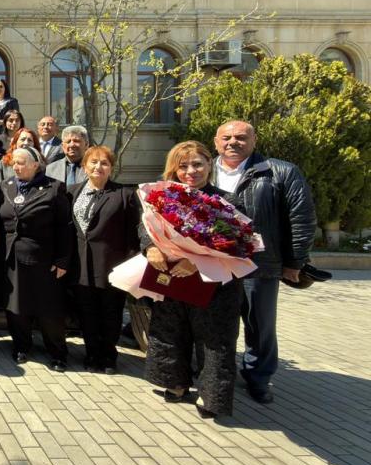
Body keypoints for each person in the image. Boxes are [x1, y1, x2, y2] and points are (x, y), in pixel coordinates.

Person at [212, 120, 316, 404]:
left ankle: (258, 377)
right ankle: (216, 372)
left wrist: (295, 260)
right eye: (226, 137)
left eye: (240, 137)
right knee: (214, 321)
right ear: (216, 141)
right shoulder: (203, 169)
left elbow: (301, 217)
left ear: (254, 140)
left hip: (259, 263)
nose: (233, 142)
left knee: (259, 324)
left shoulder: (280, 172)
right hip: (213, 263)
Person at [143, 141, 246, 419]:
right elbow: (144, 227)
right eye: (183, 166)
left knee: (214, 341)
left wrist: (198, 261)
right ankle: (175, 384)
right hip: (173, 280)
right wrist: (150, 247)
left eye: (197, 164)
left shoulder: (227, 202)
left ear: (210, 165)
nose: (190, 171)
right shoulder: (163, 199)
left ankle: (210, 396)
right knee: (171, 332)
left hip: (215, 287)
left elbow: (237, 243)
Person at [0, 146, 72, 368]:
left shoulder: (53, 188)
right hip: (12, 256)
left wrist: (62, 259)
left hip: (43, 257)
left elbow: (65, 227)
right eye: (14, 163)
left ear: (35, 165)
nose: (16, 167)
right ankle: (21, 345)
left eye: (21, 163)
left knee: (48, 308)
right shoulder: (7, 185)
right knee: (16, 305)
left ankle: (57, 352)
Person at [67, 145, 140, 373]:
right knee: (86, 313)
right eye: (93, 162)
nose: (98, 166)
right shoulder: (71, 192)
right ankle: (91, 354)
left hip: (111, 266)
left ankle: (108, 356)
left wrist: (130, 265)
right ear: (84, 166)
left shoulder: (124, 194)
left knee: (111, 313)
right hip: (81, 265)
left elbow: (134, 233)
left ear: (111, 168)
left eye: (104, 163)